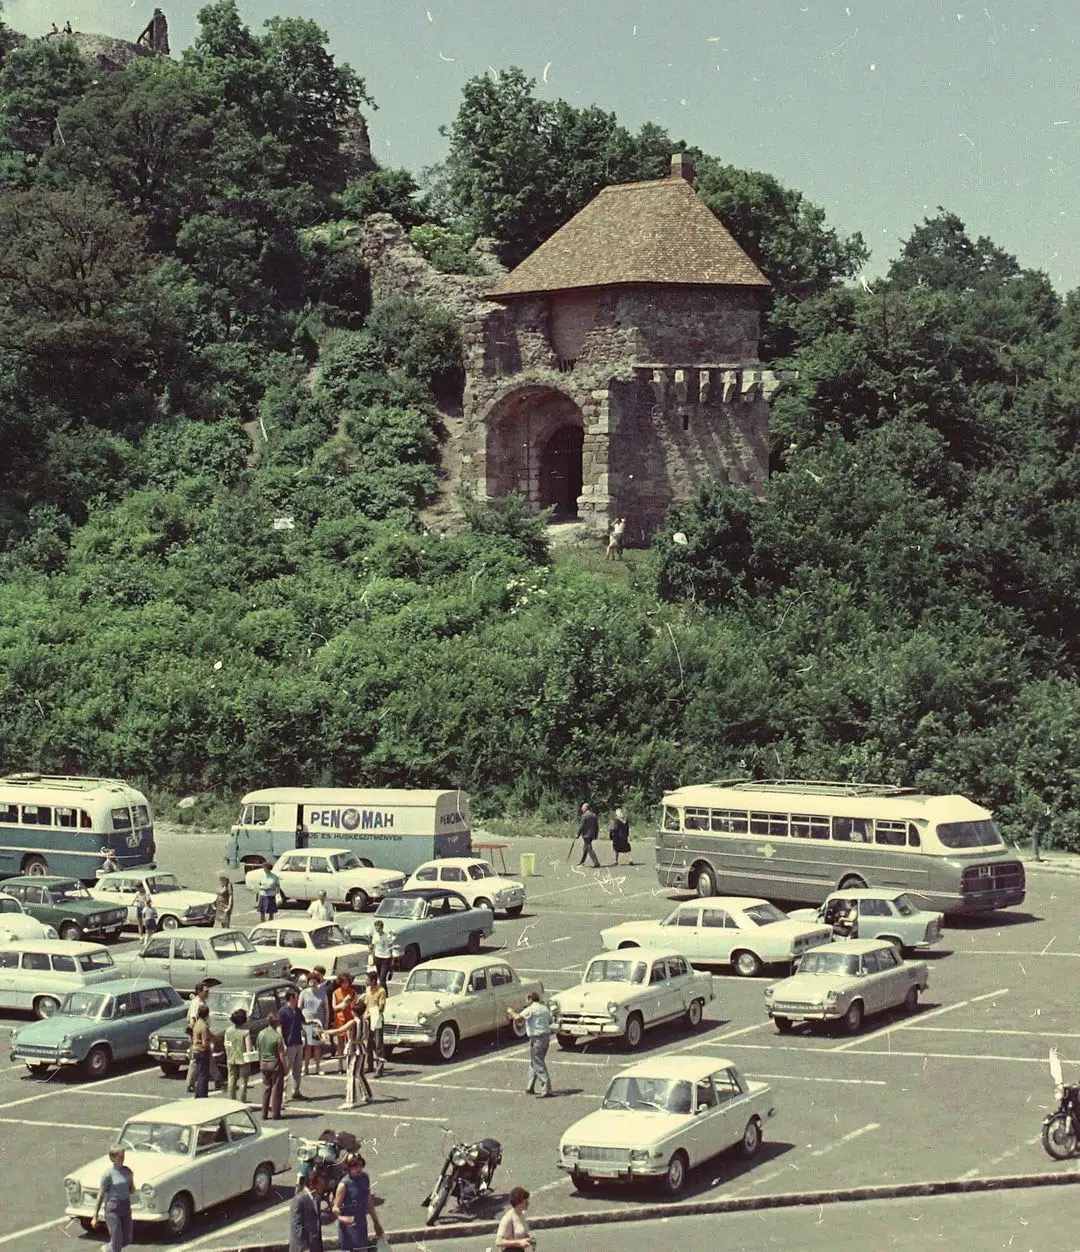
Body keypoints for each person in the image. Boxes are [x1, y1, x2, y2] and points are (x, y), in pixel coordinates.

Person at [332, 1153, 385, 1251]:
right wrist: (342, 1218)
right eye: (356, 1166)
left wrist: (376, 1223)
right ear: (349, 1167)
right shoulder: (343, 1185)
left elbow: (368, 1201)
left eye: (361, 1166)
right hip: (348, 1228)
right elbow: (335, 1208)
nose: (359, 1169)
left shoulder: (365, 1178)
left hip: (361, 1223)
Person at [319, 1012, 371, 1109]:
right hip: (362, 1048)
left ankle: (351, 1100)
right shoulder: (365, 1021)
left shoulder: (353, 1022)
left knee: (351, 1074)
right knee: (359, 1073)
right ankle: (367, 1094)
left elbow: (339, 1030)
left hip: (353, 1049)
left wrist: (324, 1032)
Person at [507, 991, 552, 1097]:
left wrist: (510, 1011)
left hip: (537, 1039)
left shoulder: (531, 1009)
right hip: (546, 1038)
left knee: (538, 1063)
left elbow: (518, 1018)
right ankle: (530, 1086)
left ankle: (546, 1088)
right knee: (534, 1062)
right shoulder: (544, 1008)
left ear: (530, 999)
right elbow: (549, 1021)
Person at [91, 1145, 134, 1252]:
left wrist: (131, 1178)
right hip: (113, 1209)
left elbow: (131, 1190)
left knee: (127, 1239)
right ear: (112, 1158)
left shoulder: (127, 1171)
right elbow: (101, 1194)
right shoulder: (108, 1174)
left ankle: (108, 1249)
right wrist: (95, 1216)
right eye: (120, 1156)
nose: (122, 1158)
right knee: (116, 1241)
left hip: (125, 1207)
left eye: (123, 1155)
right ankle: (112, 1248)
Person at [278, 987, 307, 1101]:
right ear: (291, 998)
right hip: (289, 1044)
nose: (298, 998)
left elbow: (304, 1022)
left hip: (298, 1042)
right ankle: (283, 1093)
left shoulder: (298, 1011)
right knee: (286, 1069)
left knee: (297, 1068)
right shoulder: (283, 1012)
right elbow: (279, 1027)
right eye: (296, 996)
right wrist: (283, 1043)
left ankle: (296, 1091)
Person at [257, 1012, 287, 1119]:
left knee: (266, 1088)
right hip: (274, 1064)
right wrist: (285, 1067)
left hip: (264, 1063)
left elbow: (259, 1050)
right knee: (276, 1089)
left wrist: (260, 1062)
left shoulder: (261, 1034)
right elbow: (281, 1054)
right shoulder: (277, 1036)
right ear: (276, 1023)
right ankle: (275, 1113)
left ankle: (264, 1113)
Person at [289, 1169, 325, 1252]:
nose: (323, 1186)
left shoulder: (317, 1199)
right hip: (302, 1248)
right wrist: (304, 1248)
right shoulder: (299, 1200)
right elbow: (297, 1227)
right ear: (312, 1184)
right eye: (321, 1184)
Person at [300, 971, 328, 1076]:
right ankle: (305, 1068)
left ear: (318, 982)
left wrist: (326, 1022)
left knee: (317, 1046)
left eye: (314, 980)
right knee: (307, 1047)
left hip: (317, 1023)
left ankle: (317, 1067)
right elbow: (300, 1007)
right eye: (310, 980)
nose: (312, 982)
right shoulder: (303, 993)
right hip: (306, 1022)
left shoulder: (322, 993)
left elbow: (326, 1009)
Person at [185, 983, 210, 1092]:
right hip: (197, 1035)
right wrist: (195, 1034)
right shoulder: (196, 1003)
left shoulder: (203, 1001)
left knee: (208, 1058)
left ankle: (218, 1079)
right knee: (195, 1060)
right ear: (199, 991)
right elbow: (192, 1019)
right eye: (206, 991)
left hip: (203, 1032)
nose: (208, 993)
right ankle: (190, 1084)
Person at [224, 1008, 252, 1103]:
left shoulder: (228, 1031)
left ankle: (231, 1100)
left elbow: (226, 1045)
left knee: (231, 1080)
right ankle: (242, 1101)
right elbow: (248, 1048)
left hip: (231, 1057)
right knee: (243, 1081)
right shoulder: (245, 1032)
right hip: (243, 1059)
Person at [362, 969, 387, 1077]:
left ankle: (379, 1069)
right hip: (368, 1019)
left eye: (367, 980)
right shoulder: (368, 990)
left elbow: (381, 1007)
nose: (365, 981)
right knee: (369, 1044)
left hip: (377, 1019)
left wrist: (371, 1013)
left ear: (373, 980)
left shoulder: (381, 991)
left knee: (378, 1045)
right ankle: (370, 1065)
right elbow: (366, 1004)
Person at [331, 972, 357, 1073]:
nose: (345, 984)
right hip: (340, 1019)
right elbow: (334, 1007)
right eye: (343, 982)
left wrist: (349, 1003)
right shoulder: (336, 993)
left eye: (347, 982)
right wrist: (343, 1002)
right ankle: (340, 1065)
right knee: (340, 1043)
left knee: (350, 1042)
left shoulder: (353, 992)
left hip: (350, 1018)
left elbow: (355, 1006)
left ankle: (350, 1064)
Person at [495, 1186, 535, 1251]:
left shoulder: (522, 1215)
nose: (528, 1203)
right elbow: (498, 1242)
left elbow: (522, 1233)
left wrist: (529, 1238)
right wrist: (519, 1243)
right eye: (525, 1201)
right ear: (518, 1203)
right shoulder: (508, 1218)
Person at [190, 1003, 212, 1098]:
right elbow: (205, 1042)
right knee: (204, 1075)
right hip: (202, 1052)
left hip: (195, 1050)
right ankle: (203, 1095)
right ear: (207, 1014)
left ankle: (198, 1094)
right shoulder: (204, 1026)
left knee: (199, 1073)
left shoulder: (197, 1024)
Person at [369, 920, 395, 988]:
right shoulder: (375, 936)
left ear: (382, 928)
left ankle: (384, 995)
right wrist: (372, 956)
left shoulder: (387, 936)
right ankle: (383, 993)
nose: (377, 930)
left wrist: (392, 959)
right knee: (380, 978)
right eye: (376, 928)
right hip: (377, 957)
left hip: (386, 958)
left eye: (379, 928)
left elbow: (390, 947)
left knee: (382, 978)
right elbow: (374, 946)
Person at [576, 802, 600, 868]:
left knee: (589, 849)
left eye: (582, 808)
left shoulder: (584, 816)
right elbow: (597, 826)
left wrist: (577, 834)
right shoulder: (594, 815)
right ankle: (582, 862)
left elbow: (581, 826)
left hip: (586, 835)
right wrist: (596, 835)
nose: (582, 809)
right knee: (585, 848)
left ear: (586, 808)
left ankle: (596, 863)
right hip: (592, 835)